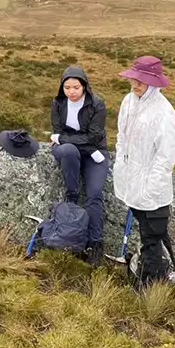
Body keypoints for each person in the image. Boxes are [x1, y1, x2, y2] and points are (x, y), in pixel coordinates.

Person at [113, 56, 175, 287]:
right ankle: (156, 271)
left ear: (153, 83)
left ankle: (151, 284)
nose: (135, 84)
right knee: (146, 232)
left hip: (152, 189)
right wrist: (120, 164)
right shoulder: (128, 102)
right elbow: (121, 136)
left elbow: (165, 157)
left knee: (152, 236)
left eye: (141, 80)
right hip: (131, 181)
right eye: (134, 79)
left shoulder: (164, 112)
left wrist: (151, 187)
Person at [50, 66, 109, 265]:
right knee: (68, 151)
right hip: (72, 151)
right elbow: (57, 133)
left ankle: (95, 244)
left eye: (76, 87)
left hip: (95, 152)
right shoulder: (58, 103)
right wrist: (63, 140)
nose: (71, 92)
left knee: (94, 194)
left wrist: (62, 138)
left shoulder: (97, 104)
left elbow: (94, 137)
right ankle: (71, 204)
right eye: (67, 88)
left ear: (84, 86)